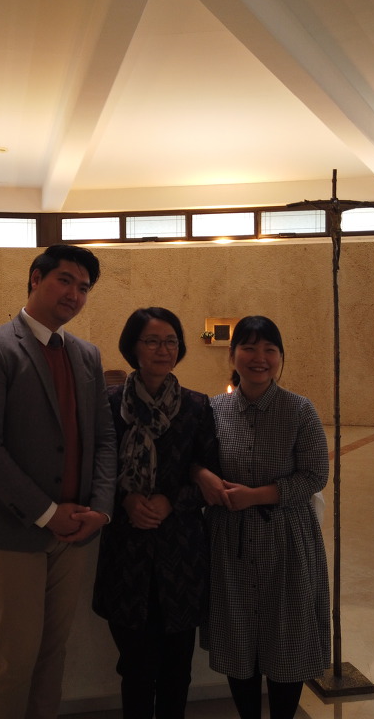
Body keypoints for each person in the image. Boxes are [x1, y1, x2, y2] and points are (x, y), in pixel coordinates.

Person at [0, 244, 117, 719]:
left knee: (52, 654)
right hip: (15, 529)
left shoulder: (86, 355)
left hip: (76, 530)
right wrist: (47, 513)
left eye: (83, 288)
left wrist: (101, 508)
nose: (74, 294)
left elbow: (104, 438)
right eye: (65, 280)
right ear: (35, 278)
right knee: (16, 659)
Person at [195, 315, 330, 719]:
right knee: (238, 637)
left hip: (286, 539)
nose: (260, 357)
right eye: (249, 348)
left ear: (280, 358)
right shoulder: (212, 410)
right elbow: (193, 459)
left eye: (270, 349)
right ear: (232, 356)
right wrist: (200, 473)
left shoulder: (300, 410)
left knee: (287, 636)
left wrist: (254, 496)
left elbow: (315, 475)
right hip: (230, 541)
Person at [92, 307, 219, 719]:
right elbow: (96, 471)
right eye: (152, 341)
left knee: (177, 669)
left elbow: (210, 474)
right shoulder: (110, 404)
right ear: (133, 347)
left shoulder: (197, 407)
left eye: (171, 341)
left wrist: (171, 501)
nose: (163, 350)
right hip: (126, 552)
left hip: (180, 554)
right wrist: (126, 500)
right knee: (135, 667)